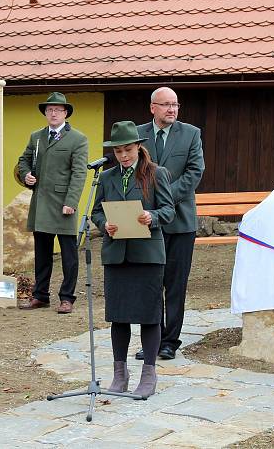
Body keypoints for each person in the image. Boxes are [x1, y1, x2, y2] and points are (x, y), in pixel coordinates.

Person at [91, 121, 175, 398]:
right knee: (119, 315)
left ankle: (149, 375)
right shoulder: (106, 178)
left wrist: (152, 217)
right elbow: (97, 212)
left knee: (149, 316)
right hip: (117, 255)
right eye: (118, 151)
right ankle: (119, 373)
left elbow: (168, 211)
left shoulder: (156, 174)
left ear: (139, 147)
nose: (124, 156)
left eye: (128, 149)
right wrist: (105, 225)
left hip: (147, 254)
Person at [134, 87, 204, 360]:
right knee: (150, 283)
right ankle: (151, 339)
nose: (172, 110)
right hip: (147, 222)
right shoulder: (138, 135)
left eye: (175, 104)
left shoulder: (191, 134)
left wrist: (164, 200)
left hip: (180, 222)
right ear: (153, 108)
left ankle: (170, 342)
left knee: (175, 284)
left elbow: (194, 172)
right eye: (165, 105)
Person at [17, 92, 88, 314]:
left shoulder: (78, 139)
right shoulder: (36, 137)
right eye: (49, 110)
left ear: (66, 113)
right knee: (42, 253)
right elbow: (23, 160)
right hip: (41, 204)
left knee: (69, 255)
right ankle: (41, 295)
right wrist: (26, 174)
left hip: (63, 204)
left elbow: (79, 174)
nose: (53, 113)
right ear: (45, 113)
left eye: (58, 109)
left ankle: (67, 298)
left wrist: (71, 202)